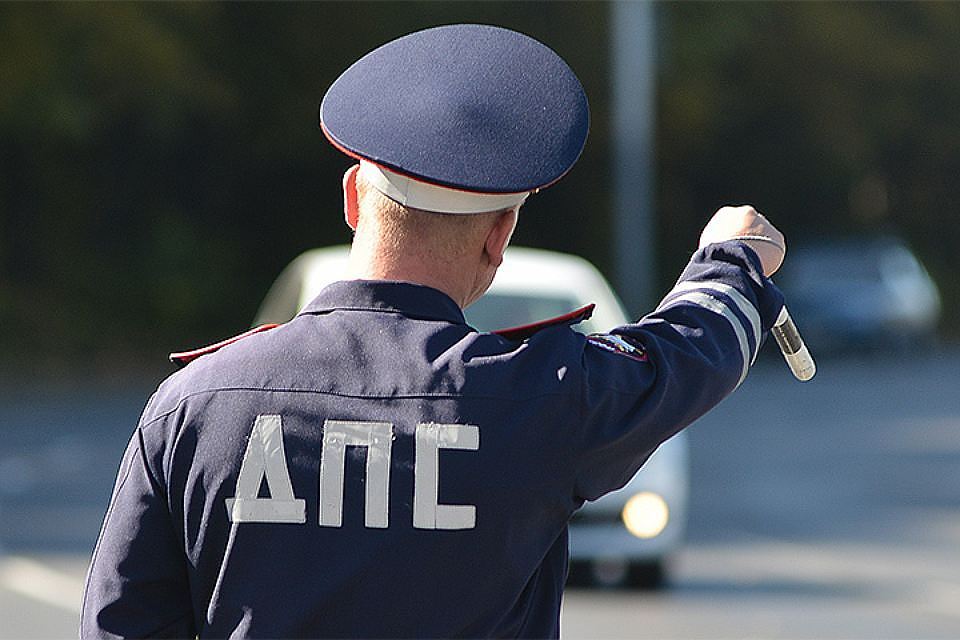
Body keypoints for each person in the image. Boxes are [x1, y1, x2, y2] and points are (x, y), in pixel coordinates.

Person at [81, 24, 786, 639]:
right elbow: (688, 355)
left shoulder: (195, 405)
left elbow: (120, 624)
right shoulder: (540, 396)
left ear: (353, 199)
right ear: (499, 235)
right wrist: (731, 260)